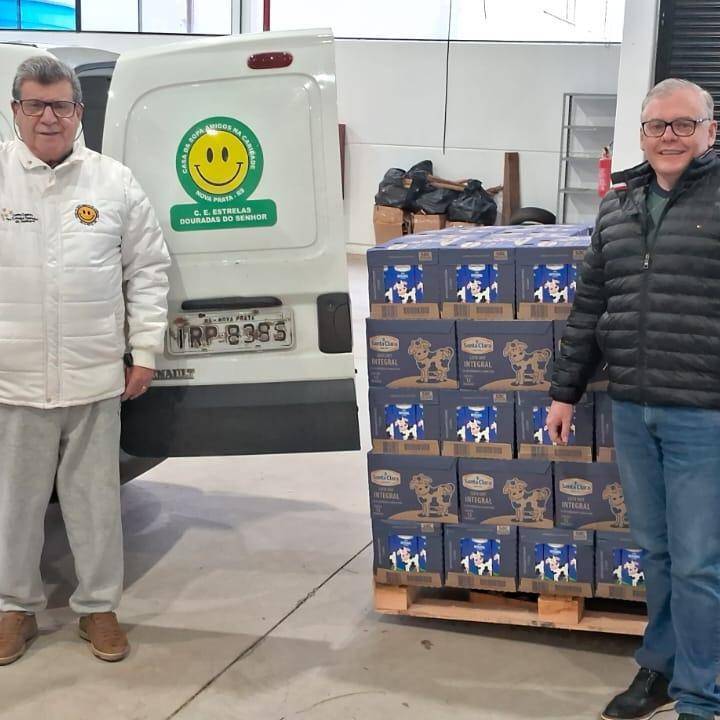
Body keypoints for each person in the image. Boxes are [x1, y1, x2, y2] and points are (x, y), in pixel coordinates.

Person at [547, 77, 720, 720]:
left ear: (710, 131)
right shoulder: (618, 208)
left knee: (699, 562)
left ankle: (702, 697)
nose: (669, 136)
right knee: (657, 550)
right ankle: (663, 668)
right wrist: (565, 391)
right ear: (641, 134)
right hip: (633, 406)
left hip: (704, 411)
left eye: (684, 124)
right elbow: (591, 304)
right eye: (656, 126)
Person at [0, 56, 170, 664]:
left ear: (78, 111)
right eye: (35, 104)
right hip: (13, 380)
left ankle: (98, 609)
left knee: (95, 504)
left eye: (61, 105)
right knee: (13, 506)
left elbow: (147, 270)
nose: (48, 117)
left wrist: (144, 350)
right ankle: (13, 609)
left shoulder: (113, 182)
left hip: (94, 377)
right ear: (16, 110)